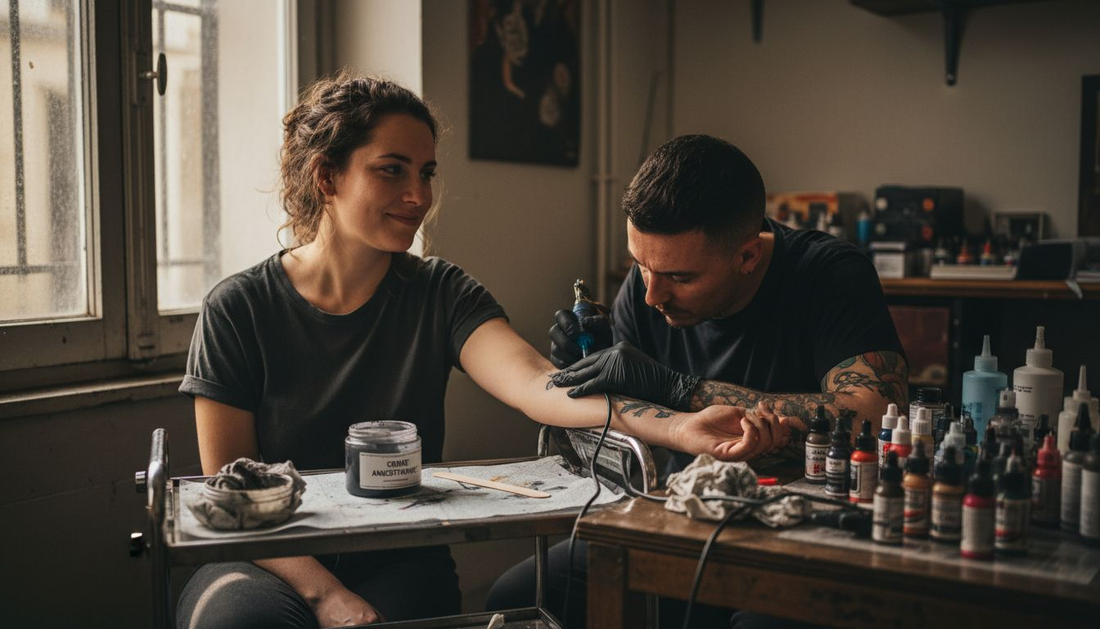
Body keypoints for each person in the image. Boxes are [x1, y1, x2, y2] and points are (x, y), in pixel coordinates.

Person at [175, 75, 786, 629]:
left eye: (426, 172)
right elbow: (230, 492)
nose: (418, 195)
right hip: (267, 557)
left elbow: (541, 387)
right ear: (327, 177)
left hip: (398, 557)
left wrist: (679, 427)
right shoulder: (238, 308)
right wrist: (324, 595)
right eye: (392, 170)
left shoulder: (441, 292)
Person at [487, 135, 908, 627]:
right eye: (640, 265)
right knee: (520, 595)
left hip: (805, 522)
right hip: (688, 507)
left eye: (680, 278)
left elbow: (876, 415)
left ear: (747, 256)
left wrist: (680, 390)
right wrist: (593, 372)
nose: (652, 295)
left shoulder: (829, 274)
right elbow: (630, 432)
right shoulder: (651, 281)